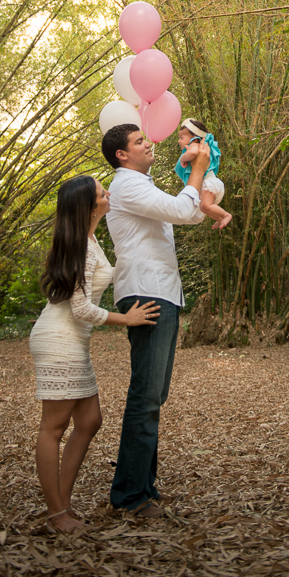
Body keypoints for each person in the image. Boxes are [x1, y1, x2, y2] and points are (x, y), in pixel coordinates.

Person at [29, 174, 160, 533]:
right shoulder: (83, 249)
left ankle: (63, 506)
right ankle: (57, 515)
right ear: (89, 207)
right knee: (52, 427)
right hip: (59, 338)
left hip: (70, 338)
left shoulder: (88, 240)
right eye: (103, 192)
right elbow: (81, 308)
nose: (109, 193)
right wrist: (127, 319)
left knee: (89, 421)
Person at [101, 123, 210, 518]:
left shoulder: (144, 187)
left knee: (154, 395)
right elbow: (183, 209)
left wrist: (203, 178)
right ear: (122, 155)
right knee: (145, 395)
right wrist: (197, 170)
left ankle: (143, 484)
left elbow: (191, 215)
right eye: (139, 141)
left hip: (162, 290)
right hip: (147, 292)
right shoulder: (127, 185)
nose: (149, 144)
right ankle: (130, 496)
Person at [175, 118, 232, 230]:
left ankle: (225, 215)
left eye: (182, 137)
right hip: (211, 185)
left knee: (205, 206)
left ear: (194, 137)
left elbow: (193, 152)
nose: (179, 141)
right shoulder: (204, 145)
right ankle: (219, 218)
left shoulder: (195, 144)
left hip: (208, 184)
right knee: (204, 207)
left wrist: (183, 158)